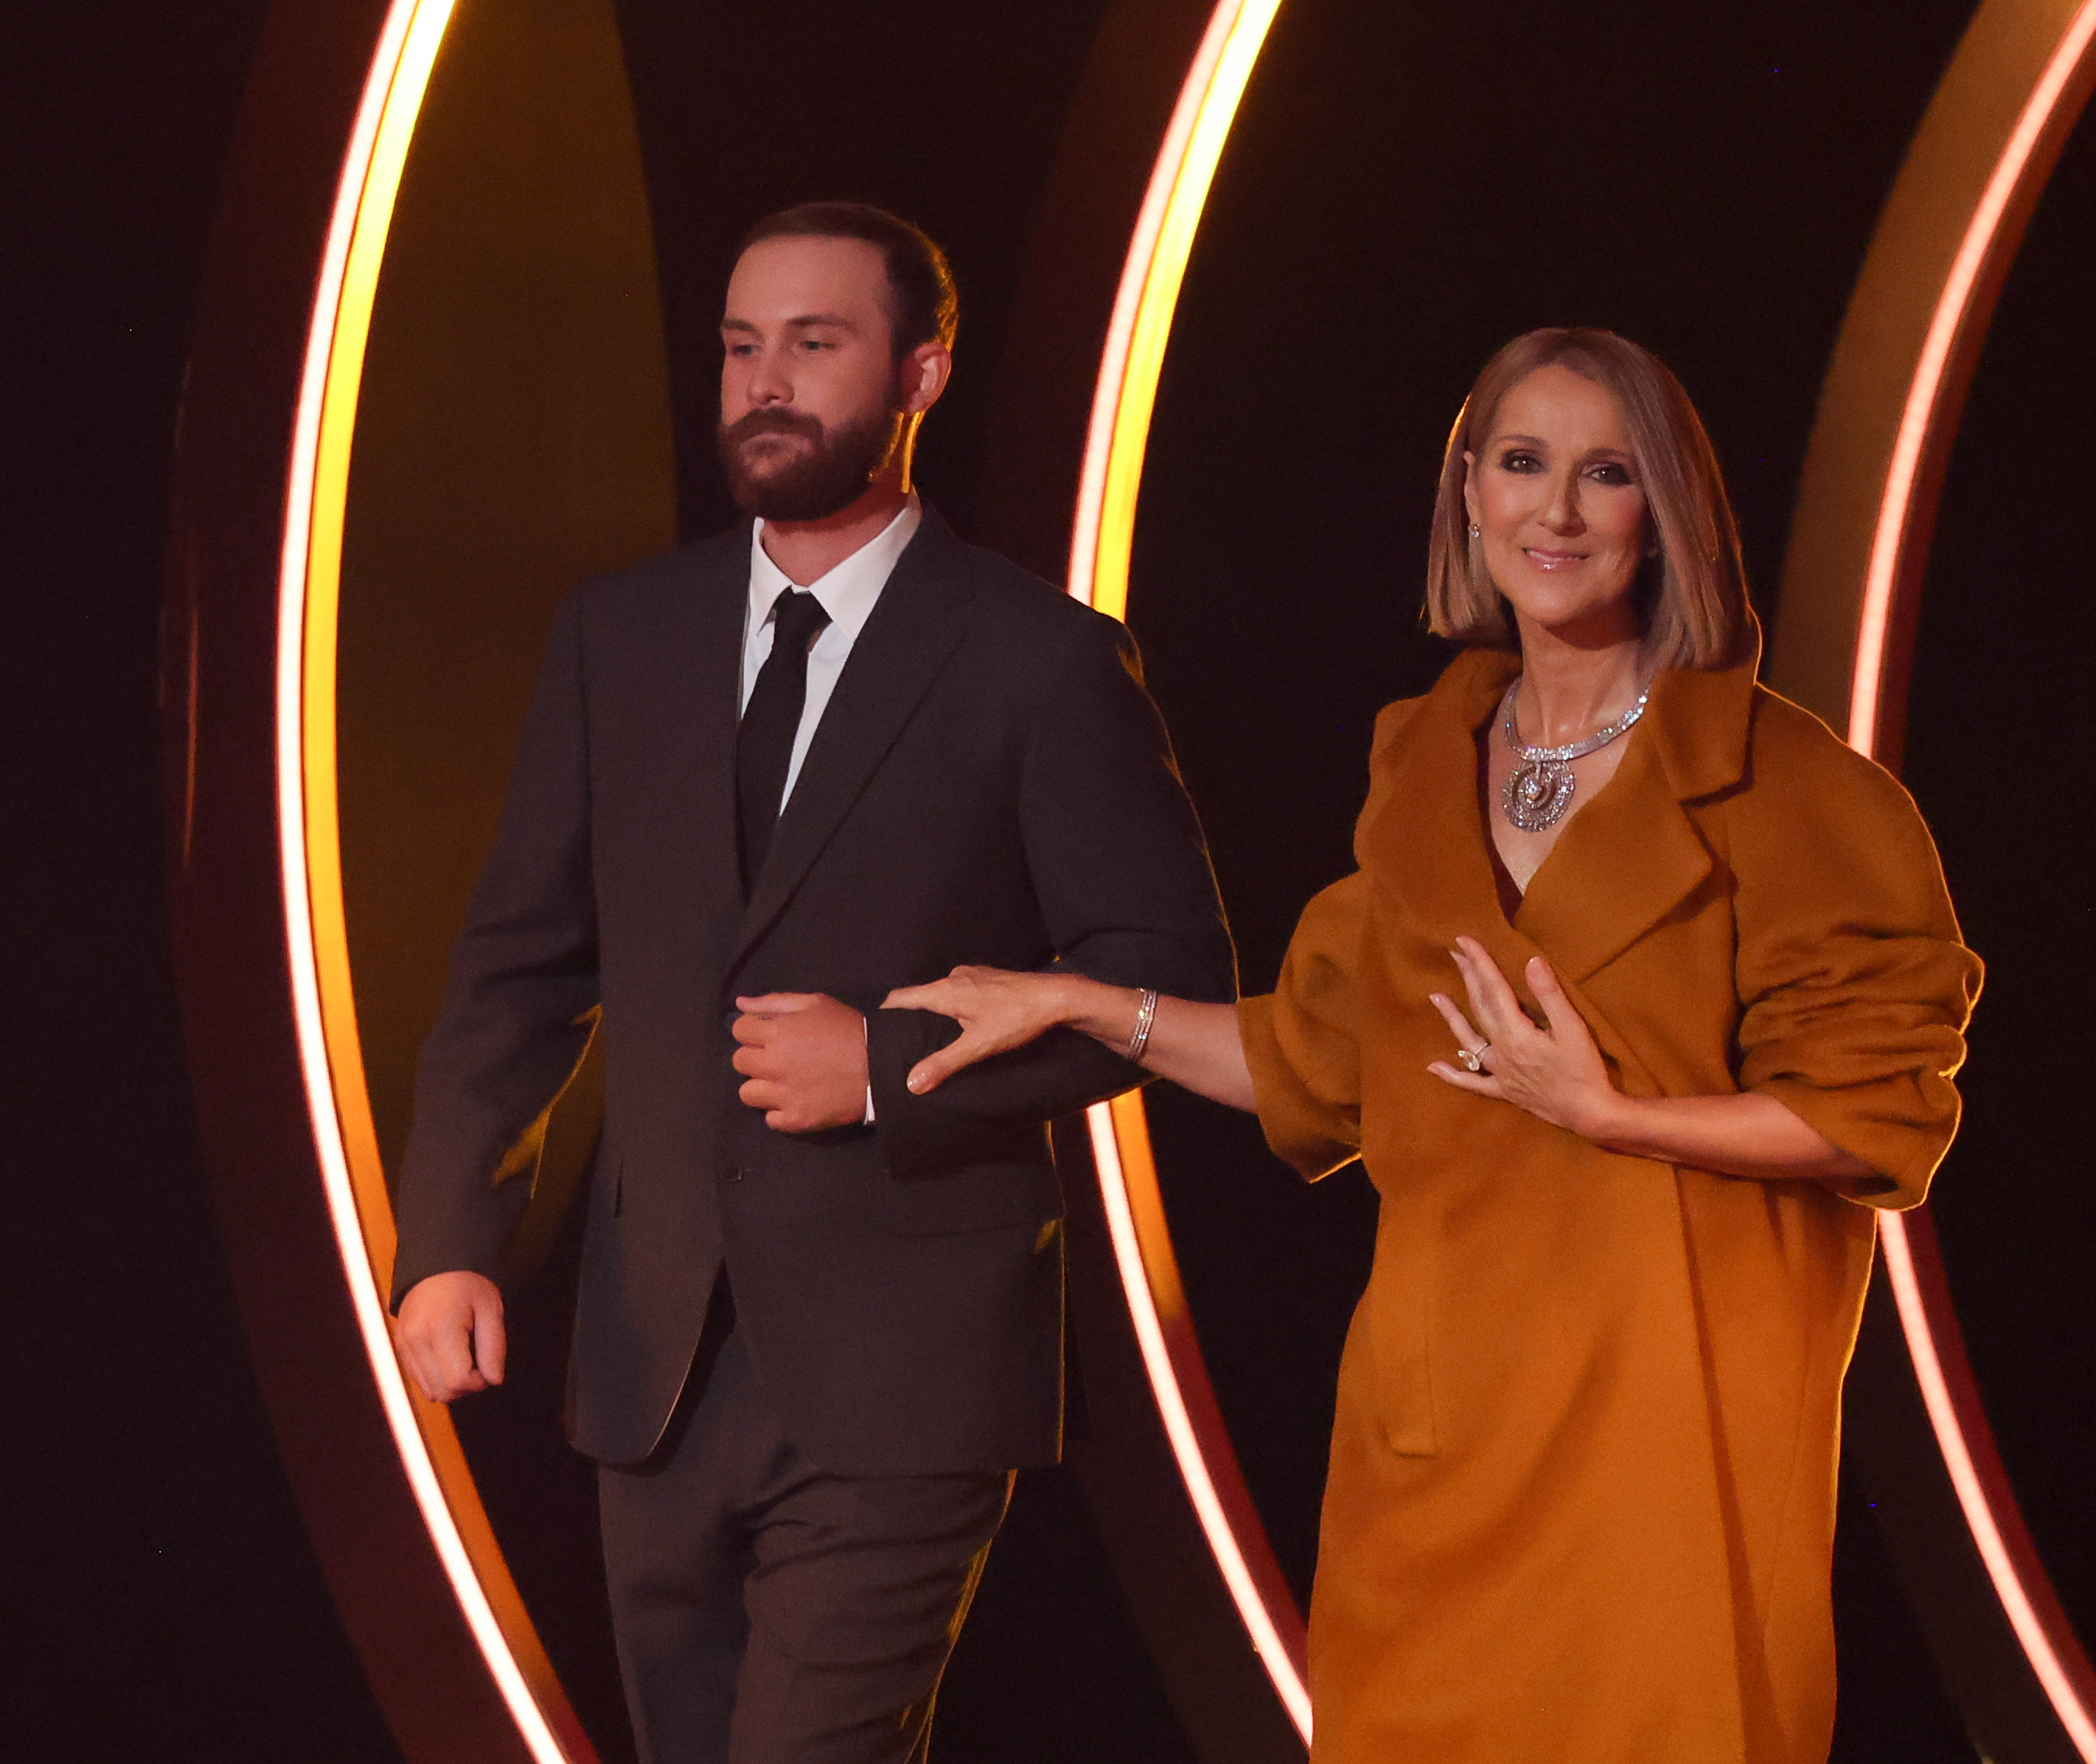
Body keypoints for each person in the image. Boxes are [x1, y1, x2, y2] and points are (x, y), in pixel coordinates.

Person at [883, 328, 1983, 1763]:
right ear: (1468, 494)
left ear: (1670, 512)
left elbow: (1872, 1114)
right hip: (1435, 1442)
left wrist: (1610, 1113)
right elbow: (1321, 1063)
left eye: (1608, 474)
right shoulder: (1420, 775)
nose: (1560, 513)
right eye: (1523, 465)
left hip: (1665, 1441)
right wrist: (1091, 1007)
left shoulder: (1796, 795)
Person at [385, 201, 1232, 1764]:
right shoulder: (618, 634)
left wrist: (892, 1057)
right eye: (739, 346)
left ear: (921, 374)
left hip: (908, 1366)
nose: (765, 381)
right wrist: (448, 1239)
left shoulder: (1040, 656)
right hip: (652, 1365)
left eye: (815, 343)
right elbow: (519, 962)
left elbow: (1161, 981)